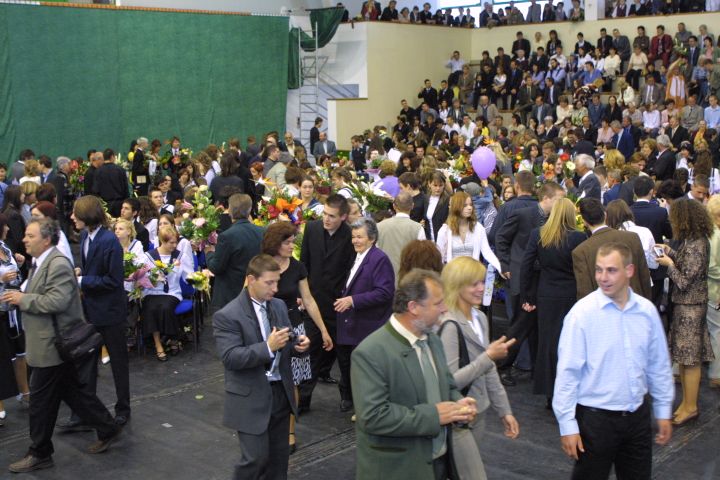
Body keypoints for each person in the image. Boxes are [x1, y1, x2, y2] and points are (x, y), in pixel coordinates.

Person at [4, 219, 122, 473]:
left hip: (52, 346)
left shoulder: (57, 264)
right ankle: (108, 427)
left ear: (46, 240)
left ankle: (40, 452)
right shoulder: (39, 262)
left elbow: (57, 301)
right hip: (48, 344)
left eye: (30, 235)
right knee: (74, 392)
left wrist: (23, 299)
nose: (24, 239)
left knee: (40, 402)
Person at [553, 242, 673, 479]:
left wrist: (662, 410)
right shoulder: (581, 314)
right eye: (599, 270)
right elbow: (568, 373)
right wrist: (567, 424)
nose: (603, 277)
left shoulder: (646, 312)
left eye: (611, 270)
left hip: (637, 419)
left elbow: (658, 364)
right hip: (595, 423)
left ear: (629, 271)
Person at [351, 269, 478, 480]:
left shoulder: (432, 340)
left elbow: (447, 385)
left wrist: (458, 405)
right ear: (414, 307)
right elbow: (373, 417)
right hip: (397, 471)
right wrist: (434, 416)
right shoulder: (370, 352)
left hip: (437, 466)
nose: (445, 309)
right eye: (438, 303)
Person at [212, 254, 310, 480]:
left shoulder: (278, 306)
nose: (275, 289)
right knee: (255, 459)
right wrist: (267, 347)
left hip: (280, 394)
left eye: (277, 282)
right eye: (269, 283)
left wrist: (298, 345)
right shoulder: (228, 315)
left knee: (278, 461)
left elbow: (286, 339)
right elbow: (230, 357)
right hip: (251, 398)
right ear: (251, 280)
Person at [438, 257, 519, 479]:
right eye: (474, 284)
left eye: (482, 282)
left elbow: (489, 370)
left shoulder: (480, 318)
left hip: (477, 413)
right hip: (457, 417)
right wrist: (488, 356)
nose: (482, 288)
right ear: (456, 285)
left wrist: (505, 411)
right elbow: (450, 381)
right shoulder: (449, 324)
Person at [261, 222, 332, 451]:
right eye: (288, 242)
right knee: (265, 380)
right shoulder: (261, 264)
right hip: (266, 328)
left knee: (292, 382)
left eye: (293, 241)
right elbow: (247, 294)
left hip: (293, 328)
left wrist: (323, 330)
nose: (293, 246)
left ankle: (290, 430)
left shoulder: (298, 267)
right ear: (276, 243)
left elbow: (308, 300)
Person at [62, 195, 130, 431]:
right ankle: (84, 413)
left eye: (76, 213)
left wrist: (83, 281)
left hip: (110, 313)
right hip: (91, 311)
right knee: (85, 364)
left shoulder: (109, 241)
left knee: (118, 363)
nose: (72, 217)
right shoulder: (85, 236)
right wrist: (82, 272)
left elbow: (113, 280)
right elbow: (92, 267)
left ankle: (123, 410)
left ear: (87, 215)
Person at [495, 182, 565, 385]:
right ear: (547, 198)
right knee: (521, 324)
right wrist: (506, 264)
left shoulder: (554, 220)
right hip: (522, 277)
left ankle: (536, 367)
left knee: (535, 325)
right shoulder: (523, 215)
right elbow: (501, 237)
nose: (562, 204)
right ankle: (503, 366)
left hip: (541, 278)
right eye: (559, 200)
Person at [519, 198, 586, 403]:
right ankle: (569, 391)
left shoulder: (538, 234)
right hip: (571, 295)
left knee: (547, 344)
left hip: (546, 294)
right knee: (570, 344)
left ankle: (550, 393)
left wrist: (527, 296)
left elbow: (526, 266)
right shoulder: (579, 237)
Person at [654, 198, 714, 426]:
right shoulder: (693, 241)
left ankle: (691, 406)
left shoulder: (697, 244)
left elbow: (684, 281)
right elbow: (688, 267)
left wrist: (669, 264)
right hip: (686, 306)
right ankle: (687, 404)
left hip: (691, 308)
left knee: (690, 360)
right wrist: (671, 251)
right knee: (685, 359)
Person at [299, 194, 354, 411]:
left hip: (338, 305)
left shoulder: (350, 236)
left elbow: (350, 271)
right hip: (313, 302)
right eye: (324, 214)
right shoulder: (312, 229)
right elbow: (304, 262)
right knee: (310, 352)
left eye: (331, 216)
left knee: (344, 356)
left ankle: (347, 396)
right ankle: (303, 400)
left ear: (343, 217)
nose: (326, 219)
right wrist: (302, 292)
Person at [334, 218, 394, 414]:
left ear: (372, 238)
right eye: (353, 237)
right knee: (347, 363)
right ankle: (350, 399)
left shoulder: (379, 259)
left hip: (367, 325)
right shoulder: (358, 256)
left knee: (363, 370)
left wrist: (353, 300)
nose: (355, 241)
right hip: (351, 324)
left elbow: (385, 292)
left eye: (359, 237)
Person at [573, 198, 652, 300]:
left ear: (584, 222)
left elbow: (585, 292)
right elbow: (645, 277)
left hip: (603, 308)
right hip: (634, 304)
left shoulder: (581, 251)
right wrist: (646, 304)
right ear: (605, 215)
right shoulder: (632, 238)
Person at [141, 225, 194, 362]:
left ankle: (172, 337)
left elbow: (188, 275)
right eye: (171, 242)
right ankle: (158, 343)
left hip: (171, 292)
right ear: (162, 241)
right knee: (151, 308)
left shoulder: (180, 256)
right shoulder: (149, 256)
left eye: (176, 242)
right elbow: (142, 277)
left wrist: (197, 278)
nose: (174, 245)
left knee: (165, 307)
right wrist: (152, 278)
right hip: (152, 292)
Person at [206, 194, 264, 311]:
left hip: (230, 295)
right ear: (250, 211)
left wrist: (209, 253)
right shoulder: (262, 232)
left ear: (230, 211)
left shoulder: (226, 236)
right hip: (256, 291)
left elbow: (216, 267)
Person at [436, 191, 502, 272]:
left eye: (471, 204)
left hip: (473, 275)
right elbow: (439, 257)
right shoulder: (445, 230)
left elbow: (487, 252)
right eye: (465, 205)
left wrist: (500, 268)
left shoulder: (478, 228)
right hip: (453, 275)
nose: (469, 208)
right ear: (456, 206)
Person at [376, 192, 425, 281]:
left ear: (394, 206)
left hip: (383, 278)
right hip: (408, 280)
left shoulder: (379, 226)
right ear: (412, 206)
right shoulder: (418, 228)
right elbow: (422, 257)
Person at [92, 149, 129, 218]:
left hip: (105, 205)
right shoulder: (120, 170)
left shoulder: (98, 171)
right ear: (112, 157)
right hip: (120, 204)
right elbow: (126, 189)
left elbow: (95, 190)